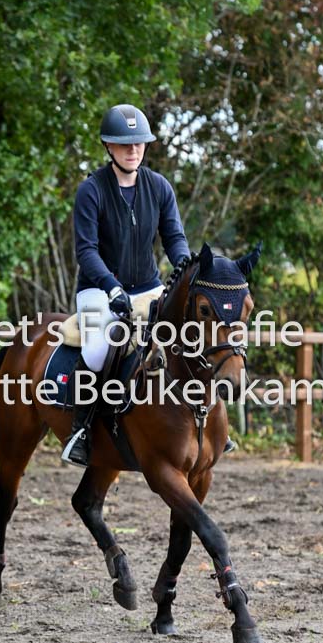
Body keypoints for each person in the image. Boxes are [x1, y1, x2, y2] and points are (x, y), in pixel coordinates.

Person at [61, 103, 192, 467]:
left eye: (139, 143)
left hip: (148, 287)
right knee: (97, 349)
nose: (133, 149)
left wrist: (184, 264)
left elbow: (174, 238)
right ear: (108, 146)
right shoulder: (91, 190)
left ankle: (207, 425)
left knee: (189, 337)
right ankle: (81, 431)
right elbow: (86, 251)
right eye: (124, 144)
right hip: (98, 289)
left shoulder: (159, 187)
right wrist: (111, 287)